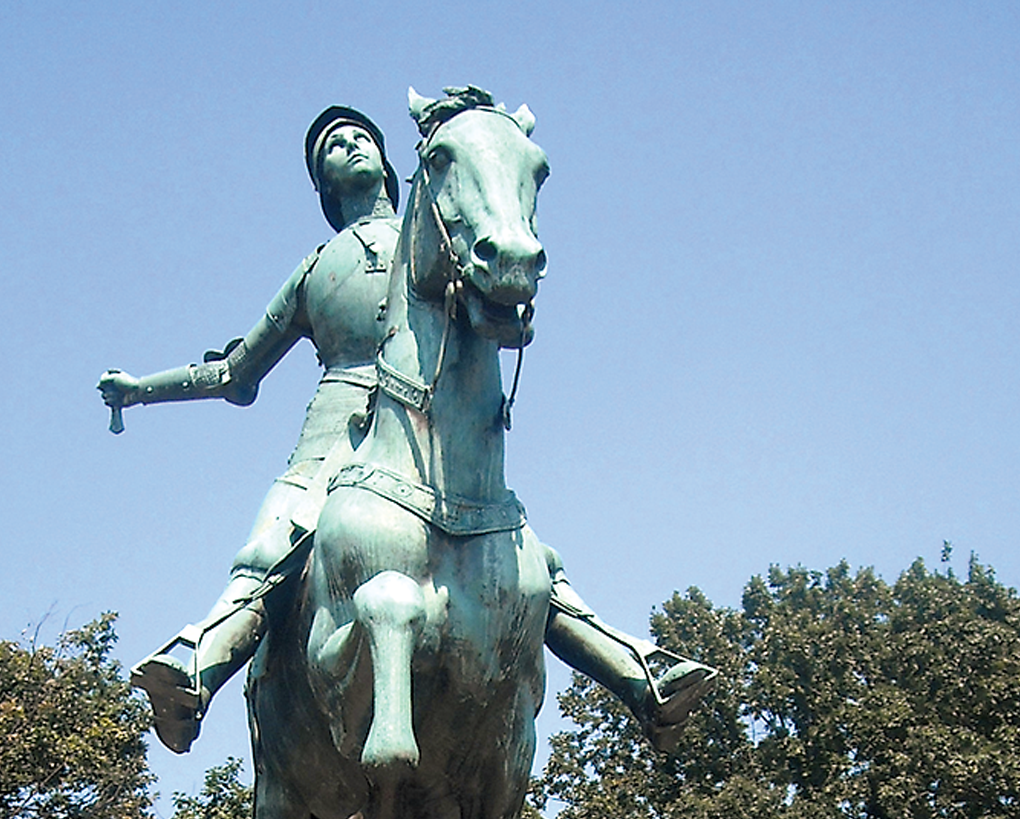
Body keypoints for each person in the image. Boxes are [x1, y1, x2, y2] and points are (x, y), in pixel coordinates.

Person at [99, 105, 715, 756]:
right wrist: (143, 390)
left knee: (526, 556)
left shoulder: (433, 227)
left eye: (359, 136)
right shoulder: (315, 268)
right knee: (274, 538)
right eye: (332, 147)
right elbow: (234, 372)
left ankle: (639, 672)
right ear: (324, 185)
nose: (350, 145)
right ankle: (199, 663)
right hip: (332, 430)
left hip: (431, 419)